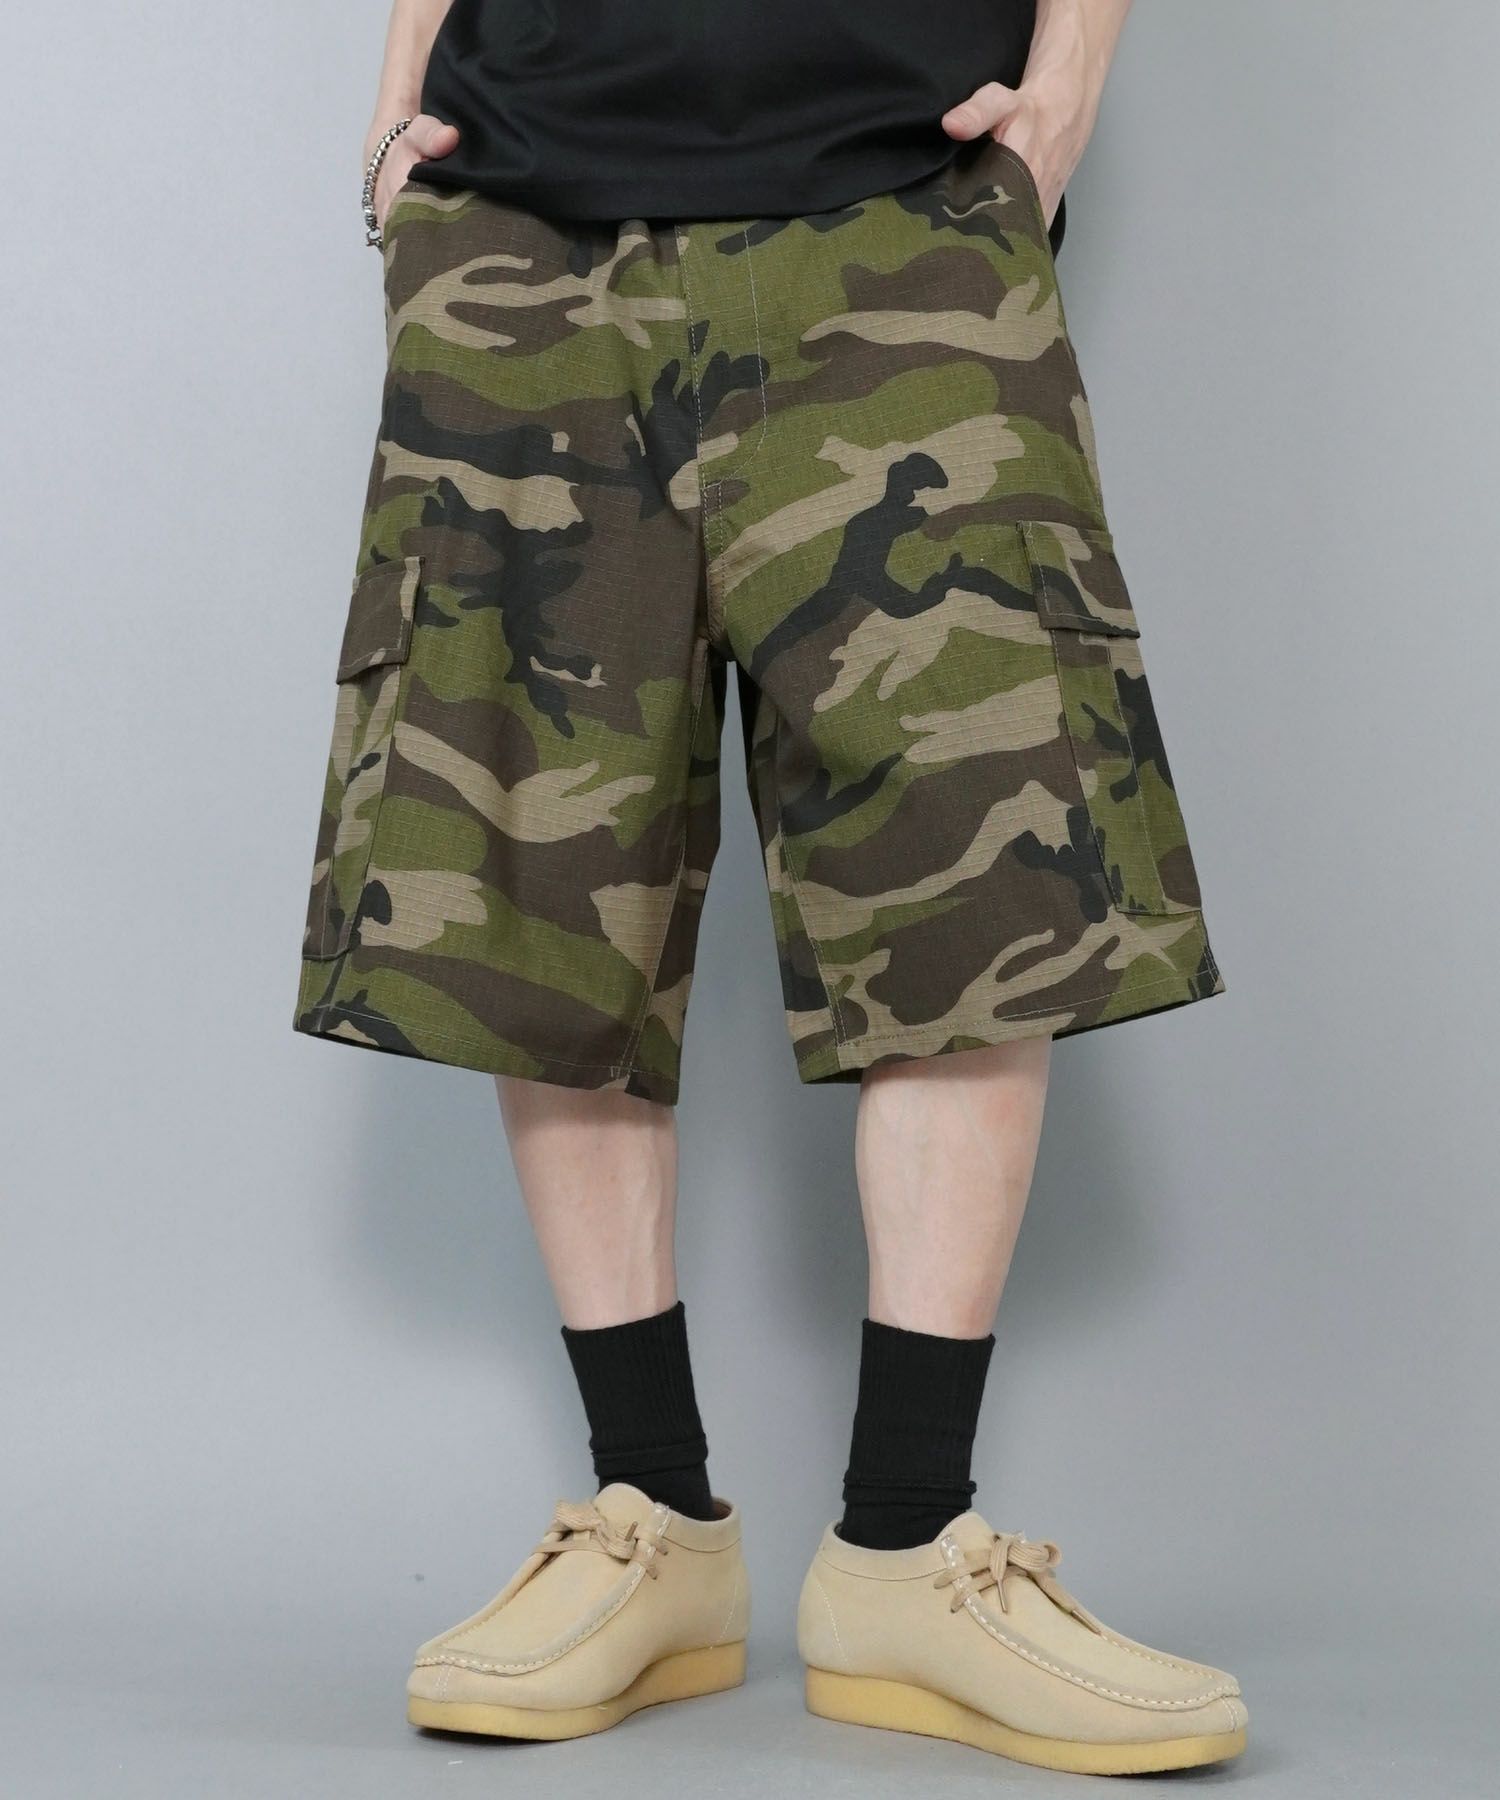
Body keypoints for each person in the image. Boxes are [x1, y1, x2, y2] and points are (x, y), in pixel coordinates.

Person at [294, 0, 1245, 1774]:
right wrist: (399, 108)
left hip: (906, 200)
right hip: (522, 218)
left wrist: (1065, 94)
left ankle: (908, 1545)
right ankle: (649, 1522)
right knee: (535, 872)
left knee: (980, 857)